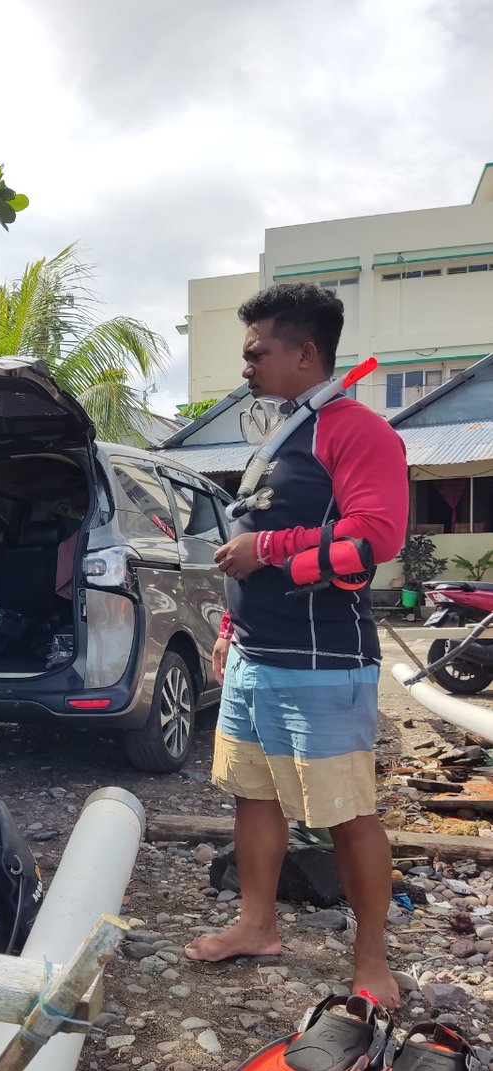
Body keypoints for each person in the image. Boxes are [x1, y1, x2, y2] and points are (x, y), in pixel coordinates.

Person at [184, 283, 409, 1012]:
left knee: (346, 813)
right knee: (252, 796)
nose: (245, 367)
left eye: (257, 352)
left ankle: (371, 960)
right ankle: (257, 923)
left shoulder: (355, 431)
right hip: (254, 657)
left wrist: (269, 547)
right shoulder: (280, 436)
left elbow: (375, 538)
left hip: (323, 665)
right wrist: (226, 632)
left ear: (305, 353)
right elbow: (245, 548)